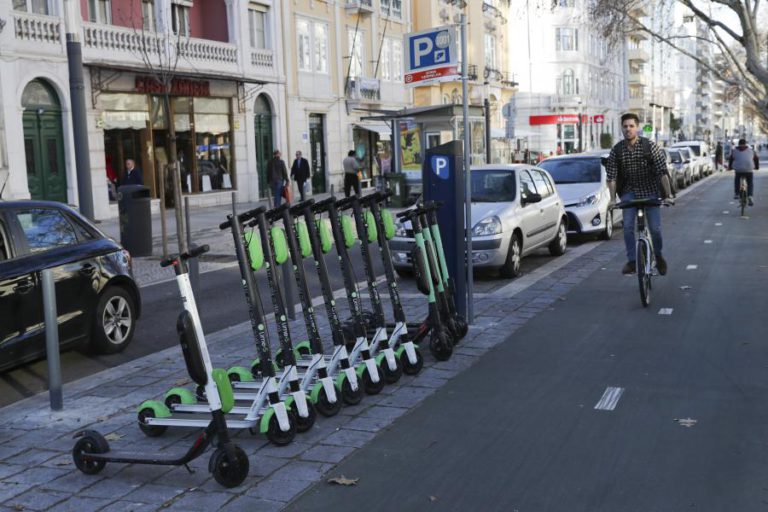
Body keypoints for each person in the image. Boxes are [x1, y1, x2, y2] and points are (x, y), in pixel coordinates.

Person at [606, 112, 672, 276]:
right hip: (629, 193)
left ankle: (658, 255)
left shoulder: (650, 146)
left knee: (655, 229)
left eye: (631, 126)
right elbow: (611, 177)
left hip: (650, 191)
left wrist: (668, 195)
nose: (628, 129)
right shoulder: (617, 151)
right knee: (627, 227)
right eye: (625, 126)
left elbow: (662, 172)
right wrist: (613, 199)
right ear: (622, 128)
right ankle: (632, 261)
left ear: (637, 128)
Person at [728, 139, 755, 206]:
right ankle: (750, 195)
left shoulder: (734, 151)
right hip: (749, 169)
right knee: (750, 182)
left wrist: (730, 167)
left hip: (738, 170)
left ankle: (737, 193)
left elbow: (731, 159)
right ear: (746, 144)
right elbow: (756, 158)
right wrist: (757, 167)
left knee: (737, 179)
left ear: (738, 144)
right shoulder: (751, 150)